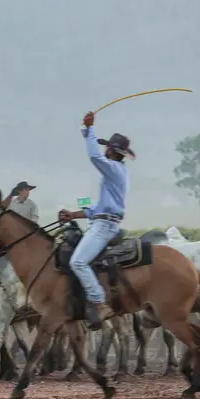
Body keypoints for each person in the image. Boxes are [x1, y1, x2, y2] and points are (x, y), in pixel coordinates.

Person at [57, 111, 135, 330]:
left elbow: (94, 157)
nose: (104, 149)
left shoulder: (113, 169)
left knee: (77, 262)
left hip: (104, 226)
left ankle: (99, 302)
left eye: (106, 147)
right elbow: (97, 209)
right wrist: (73, 215)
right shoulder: (116, 172)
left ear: (111, 150)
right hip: (103, 221)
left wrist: (90, 130)